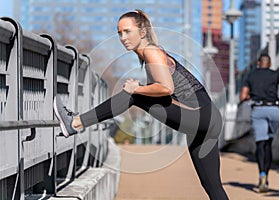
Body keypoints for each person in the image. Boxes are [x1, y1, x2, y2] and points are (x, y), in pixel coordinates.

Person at [54, 9, 228, 199]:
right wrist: (140, 89)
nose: (122, 37)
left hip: (199, 115)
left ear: (142, 32)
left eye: (127, 31)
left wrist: (136, 90)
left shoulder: (152, 52)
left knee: (133, 96)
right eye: (119, 33)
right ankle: (75, 123)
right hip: (208, 119)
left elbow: (166, 88)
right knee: (212, 187)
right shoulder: (150, 53)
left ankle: (75, 123)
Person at [240, 53, 279, 193]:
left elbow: (243, 96)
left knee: (260, 144)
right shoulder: (276, 74)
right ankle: (266, 175)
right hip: (274, 109)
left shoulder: (251, 75)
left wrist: (251, 97)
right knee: (268, 143)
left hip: (258, 109)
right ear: (269, 64)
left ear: (258, 63)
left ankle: (262, 174)